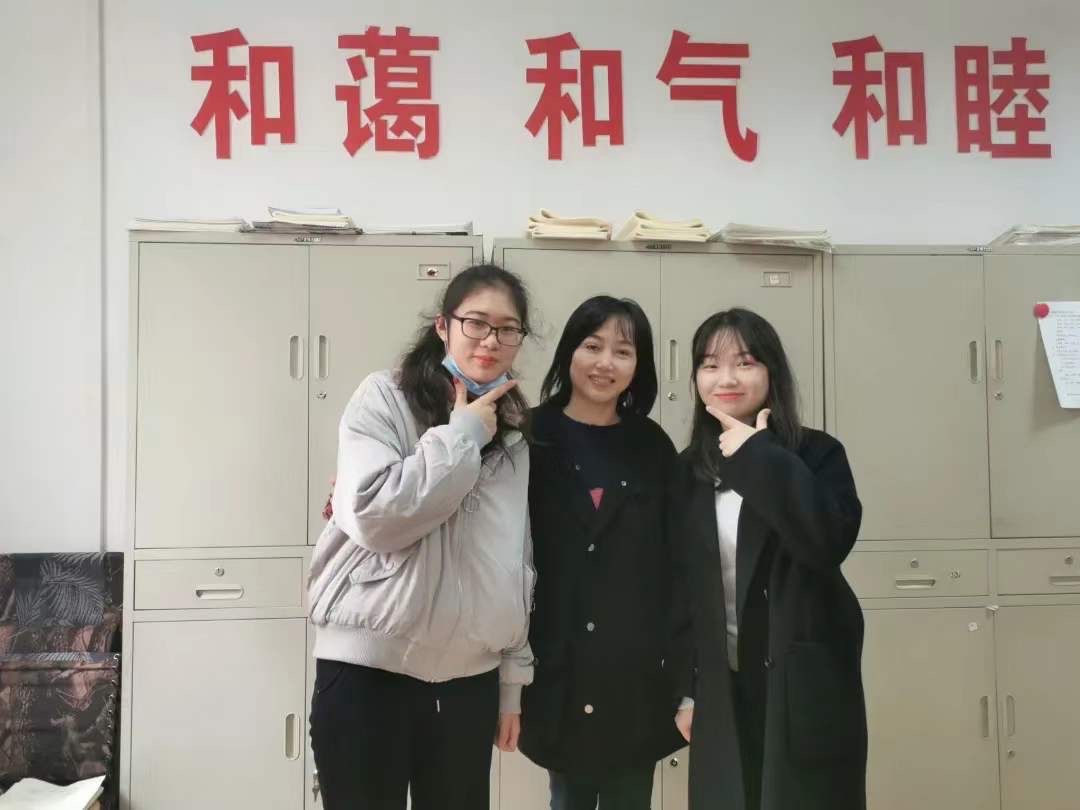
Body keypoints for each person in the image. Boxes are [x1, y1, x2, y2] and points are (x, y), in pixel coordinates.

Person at [306, 264, 536, 810]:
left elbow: (514, 558)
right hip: (368, 674)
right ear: (443, 326)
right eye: (476, 322)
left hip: (468, 684)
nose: (491, 340)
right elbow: (373, 516)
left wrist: (511, 682)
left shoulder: (513, 431)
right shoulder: (386, 397)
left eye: (508, 329)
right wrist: (461, 436)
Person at [668, 307, 866, 810]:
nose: (727, 378)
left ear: (771, 371)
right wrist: (689, 690)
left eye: (745, 362)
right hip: (723, 682)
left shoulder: (817, 454)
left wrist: (759, 455)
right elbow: (681, 589)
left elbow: (826, 542)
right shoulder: (689, 470)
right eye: (710, 364)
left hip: (798, 683)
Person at [519, 295, 684, 810]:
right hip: (555, 661)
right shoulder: (529, 436)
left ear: (639, 366)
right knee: (566, 796)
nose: (605, 363)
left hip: (632, 671)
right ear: (569, 351)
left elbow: (678, 562)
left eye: (623, 351)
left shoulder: (652, 445)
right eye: (592, 346)